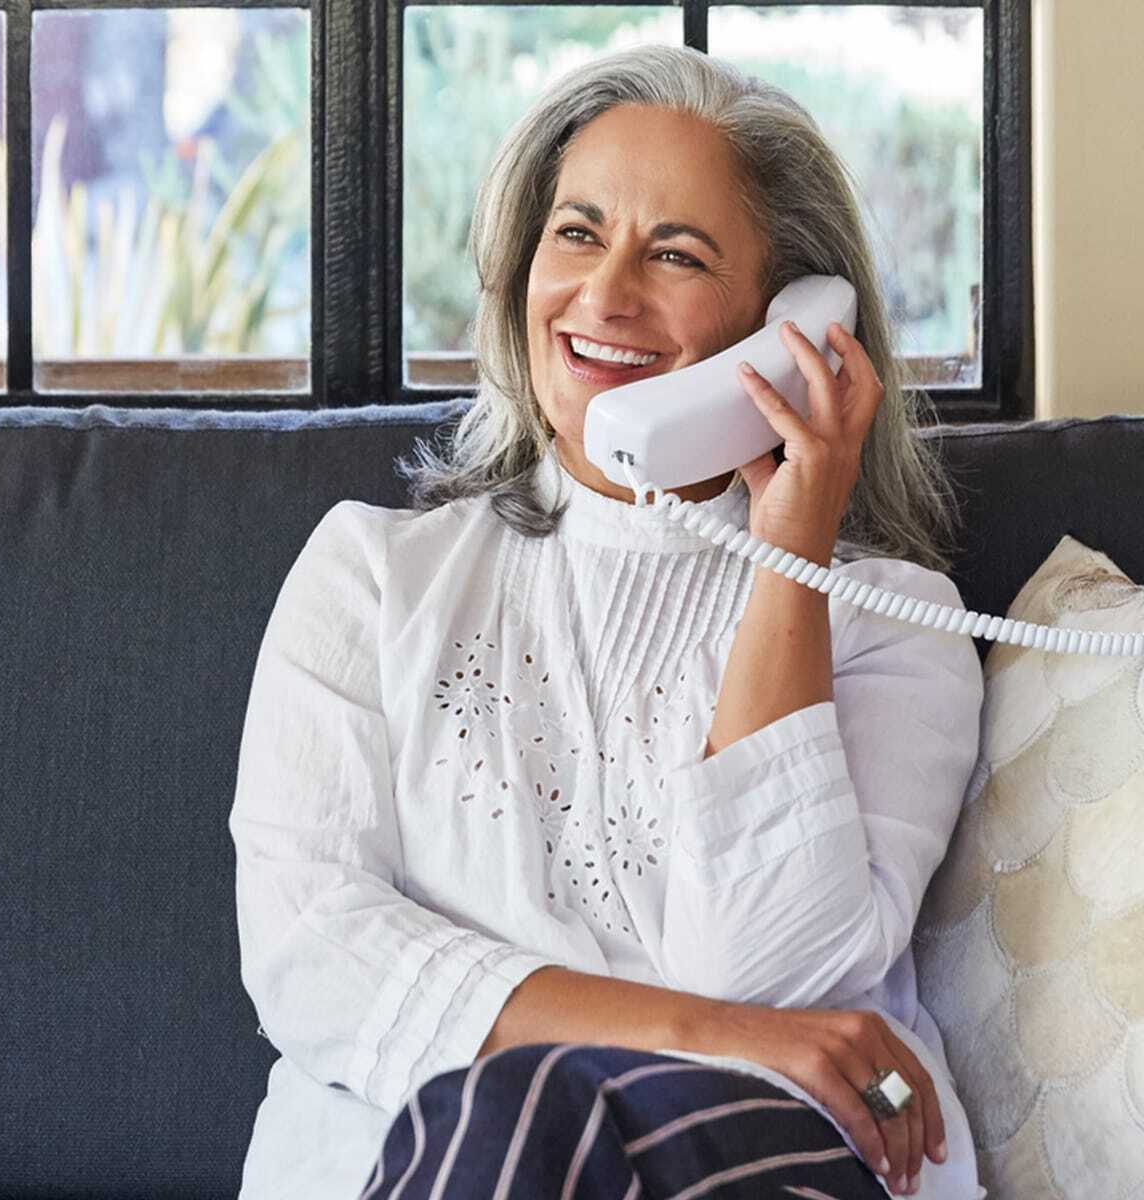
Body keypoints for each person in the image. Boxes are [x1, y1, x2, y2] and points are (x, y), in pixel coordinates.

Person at [229, 43, 986, 1200]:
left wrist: (790, 555)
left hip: (746, 1166)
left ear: (792, 321)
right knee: (508, 1115)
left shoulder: (893, 626)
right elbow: (310, 951)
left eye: (675, 254)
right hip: (416, 1164)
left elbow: (767, 964)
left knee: (525, 1104)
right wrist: (721, 1034)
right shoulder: (370, 577)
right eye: (577, 233)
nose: (604, 294)